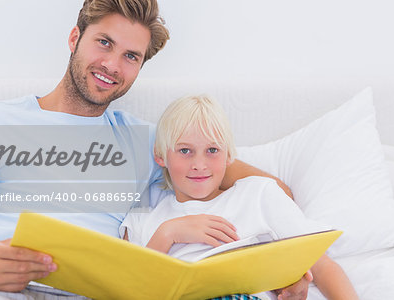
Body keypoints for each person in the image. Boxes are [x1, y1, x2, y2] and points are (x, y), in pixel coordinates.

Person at [0, 0, 307, 299]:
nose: (112, 65)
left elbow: (271, 189)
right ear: (75, 38)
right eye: (104, 43)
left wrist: (284, 267)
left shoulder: (148, 143)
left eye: (130, 56)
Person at [120, 95, 359, 300]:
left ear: (228, 155)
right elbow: (130, 290)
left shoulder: (258, 194)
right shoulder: (144, 219)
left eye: (212, 150)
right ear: (161, 156)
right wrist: (168, 234)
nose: (199, 165)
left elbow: (323, 266)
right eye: (185, 151)